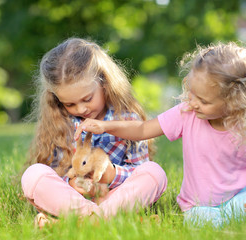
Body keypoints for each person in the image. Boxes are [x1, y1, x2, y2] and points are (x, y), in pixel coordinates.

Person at [75, 42, 246, 227]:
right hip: (198, 205)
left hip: (239, 195)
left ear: (234, 102)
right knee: (202, 222)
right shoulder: (186, 113)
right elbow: (142, 130)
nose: (193, 102)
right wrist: (105, 126)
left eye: (204, 100)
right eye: (192, 93)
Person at [20, 37, 167, 227]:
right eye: (70, 104)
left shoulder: (128, 120)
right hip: (73, 202)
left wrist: (113, 175)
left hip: (116, 198)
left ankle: (81, 222)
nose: (81, 109)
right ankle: (103, 220)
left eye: (87, 99)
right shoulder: (61, 124)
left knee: (154, 173)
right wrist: (72, 183)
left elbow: (140, 168)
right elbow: (56, 173)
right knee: (33, 175)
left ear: (104, 83)